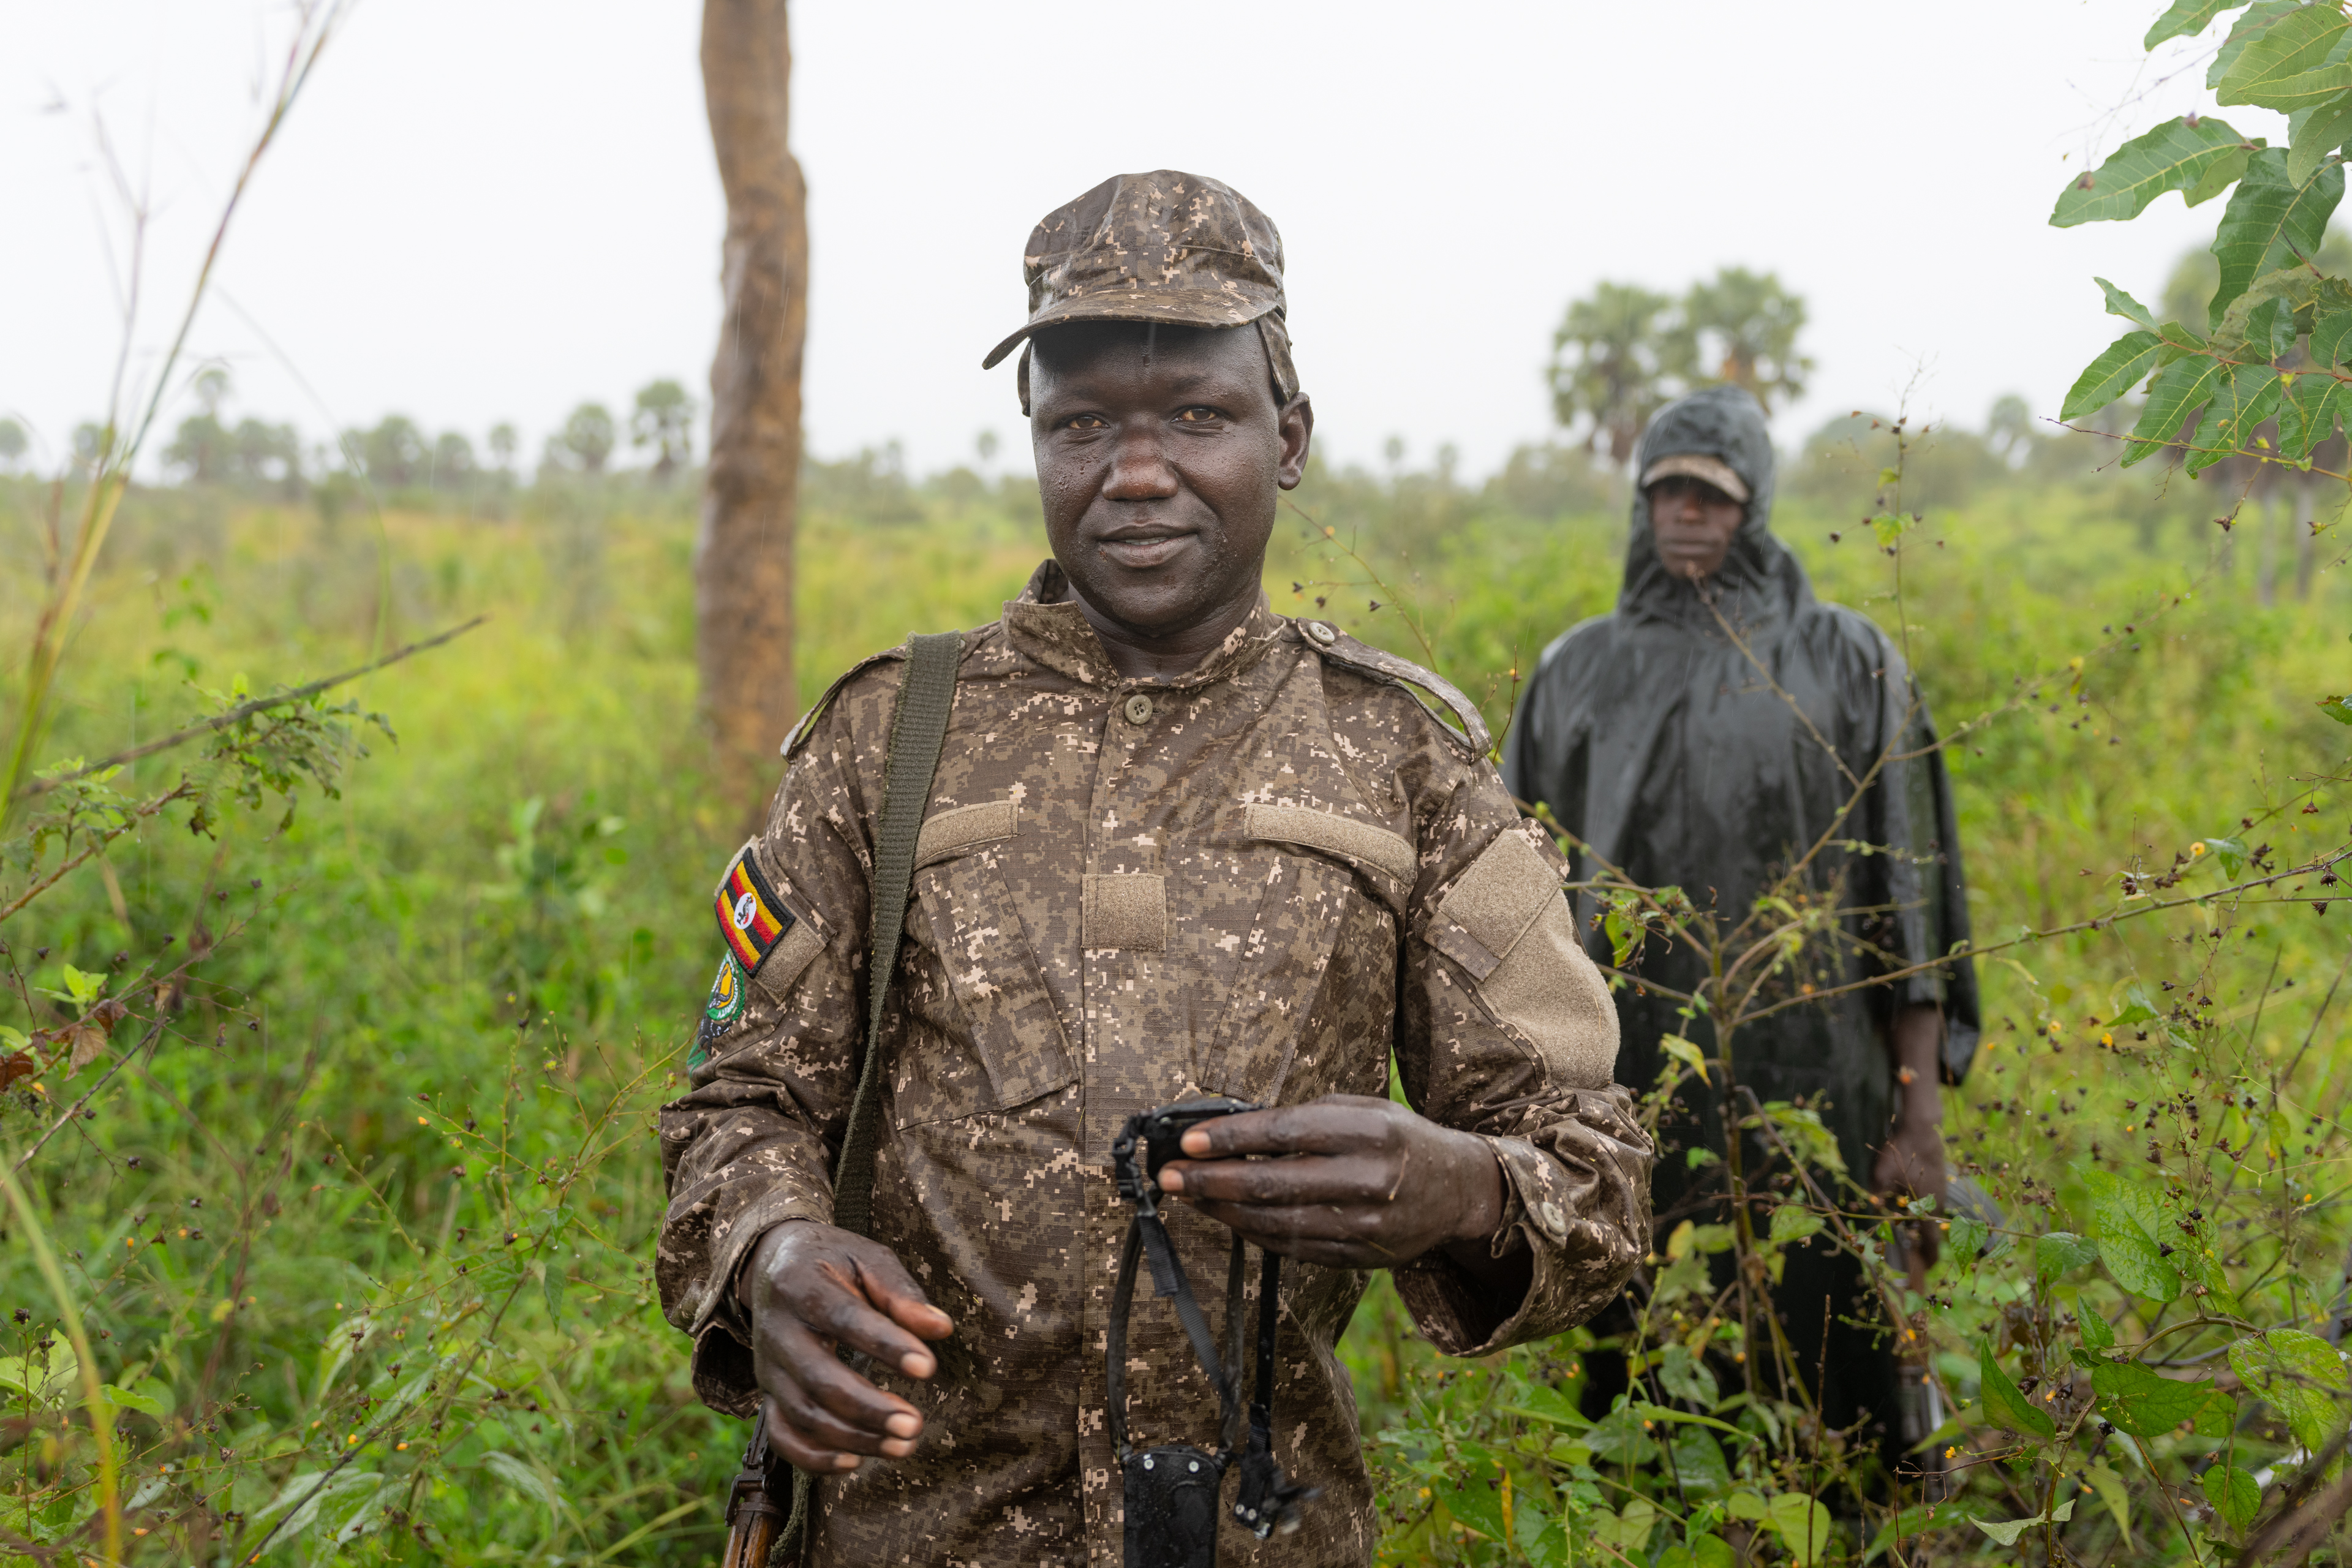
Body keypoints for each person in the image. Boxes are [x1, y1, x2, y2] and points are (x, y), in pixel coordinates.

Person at [657, 170, 1654, 1564]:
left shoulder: (1405, 762)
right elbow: (735, 1099)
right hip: (910, 1532)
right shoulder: (886, 739)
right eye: (1082, 424)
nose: (1136, 472)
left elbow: (1595, 1169)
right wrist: (769, 1248)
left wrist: (1467, 1188)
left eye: (1197, 414)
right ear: (1034, 439)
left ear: (1287, 435)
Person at [1500, 385, 1980, 1471]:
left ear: (1755, 505)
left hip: (1821, 1088)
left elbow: (1909, 914)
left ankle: (1846, 1512)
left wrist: (1918, 1121)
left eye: (1711, 494)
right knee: (1643, 1356)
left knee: (1832, 1340)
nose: (1686, 513)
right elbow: (1509, 909)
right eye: (1666, 490)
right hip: (1625, 1098)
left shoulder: (1846, 663)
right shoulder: (1579, 673)